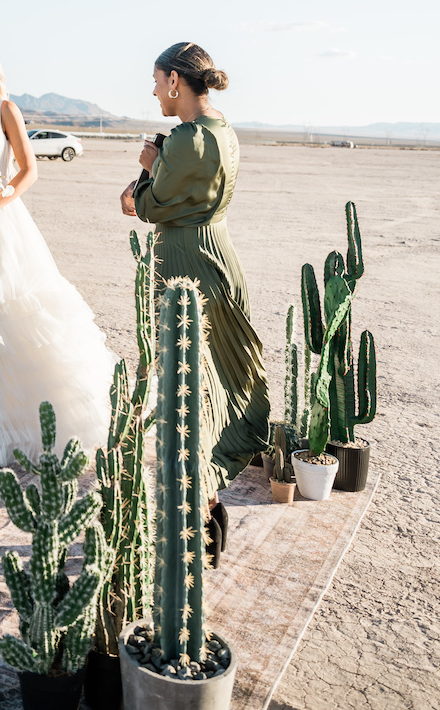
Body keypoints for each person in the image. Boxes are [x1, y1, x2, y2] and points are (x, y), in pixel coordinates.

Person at [0, 40, 116, 474]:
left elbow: (29, 170)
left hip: (0, 227)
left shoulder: (5, 110)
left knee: (8, 317)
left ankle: (23, 424)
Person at [120, 41, 270, 561]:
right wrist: (159, 167)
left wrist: (148, 167)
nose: (154, 91)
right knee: (212, 385)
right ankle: (207, 506)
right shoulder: (222, 128)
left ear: (175, 81)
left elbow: (148, 206)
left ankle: (200, 514)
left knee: (186, 390)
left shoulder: (186, 138)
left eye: (156, 80)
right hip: (217, 257)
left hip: (188, 267)